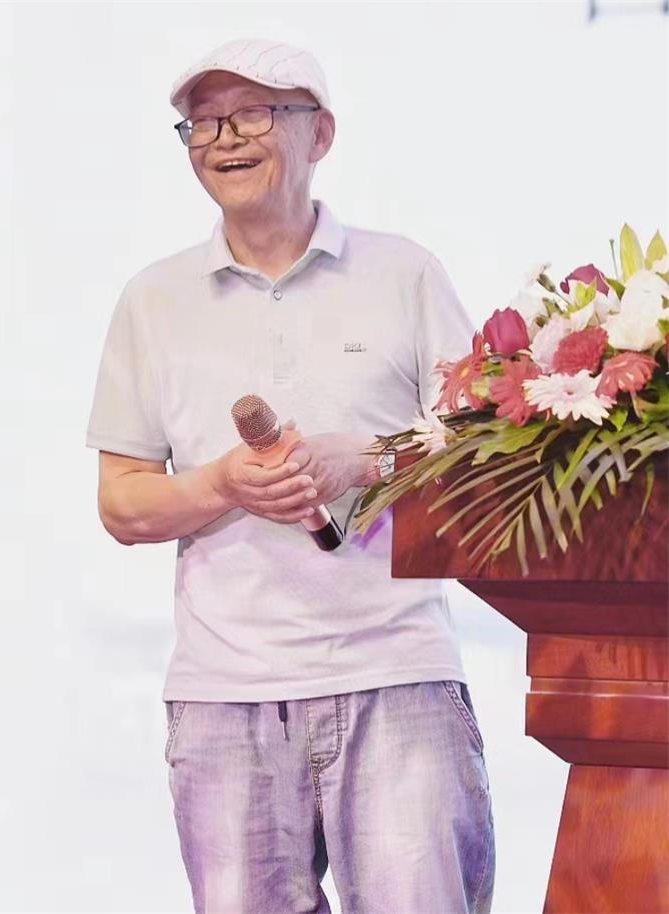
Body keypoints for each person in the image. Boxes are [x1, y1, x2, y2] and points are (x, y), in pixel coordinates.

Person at [86, 37, 495, 914]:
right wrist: (222, 485)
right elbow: (122, 502)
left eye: (253, 113)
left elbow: (488, 463)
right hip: (222, 697)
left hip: (397, 674)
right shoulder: (152, 300)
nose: (224, 138)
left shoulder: (405, 273)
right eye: (202, 123)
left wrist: (369, 460)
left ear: (322, 133)